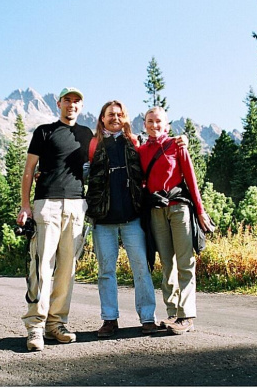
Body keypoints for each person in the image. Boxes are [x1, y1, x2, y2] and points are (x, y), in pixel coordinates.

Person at [16, 87, 93, 351]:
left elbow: (95, 167)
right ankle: (35, 326)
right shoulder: (43, 131)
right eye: (67, 100)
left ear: (81, 106)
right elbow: (29, 170)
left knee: (67, 268)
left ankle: (56, 324)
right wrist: (25, 205)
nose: (72, 105)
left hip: (76, 205)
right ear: (58, 103)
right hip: (46, 203)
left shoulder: (87, 135)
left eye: (76, 101)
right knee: (41, 266)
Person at [85, 100, 158, 337]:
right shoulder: (94, 144)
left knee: (141, 268)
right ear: (102, 119)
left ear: (124, 118)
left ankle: (147, 318)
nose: (114, 118)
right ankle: (109, 320)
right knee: (106, 270)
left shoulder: (134, 142)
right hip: (103, 219)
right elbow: (80, 170)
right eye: (110, 115)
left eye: (119, 114)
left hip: (132, 217)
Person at [138, 106, 213, 335]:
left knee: (185, 261)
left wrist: (200, 211)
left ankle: (187, 315)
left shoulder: (176, 145)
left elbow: (191, 179)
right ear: (144, 124)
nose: (154, 125)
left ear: (167, 124)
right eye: (150, 121)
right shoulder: (141, 151)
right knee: (167, 263)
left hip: (179, 208)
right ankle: (172, 313)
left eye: (158, 121)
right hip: (156, 211)